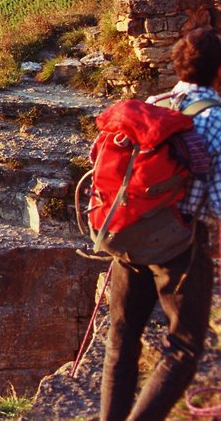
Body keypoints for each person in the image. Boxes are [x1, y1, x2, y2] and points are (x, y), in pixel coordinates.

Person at [100, 27, 221, 420]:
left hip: (129, 233)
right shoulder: (216, 120)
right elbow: (217, 202)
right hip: (180, 245)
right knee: (183, 347)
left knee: (121, 339)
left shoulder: (156, 103)